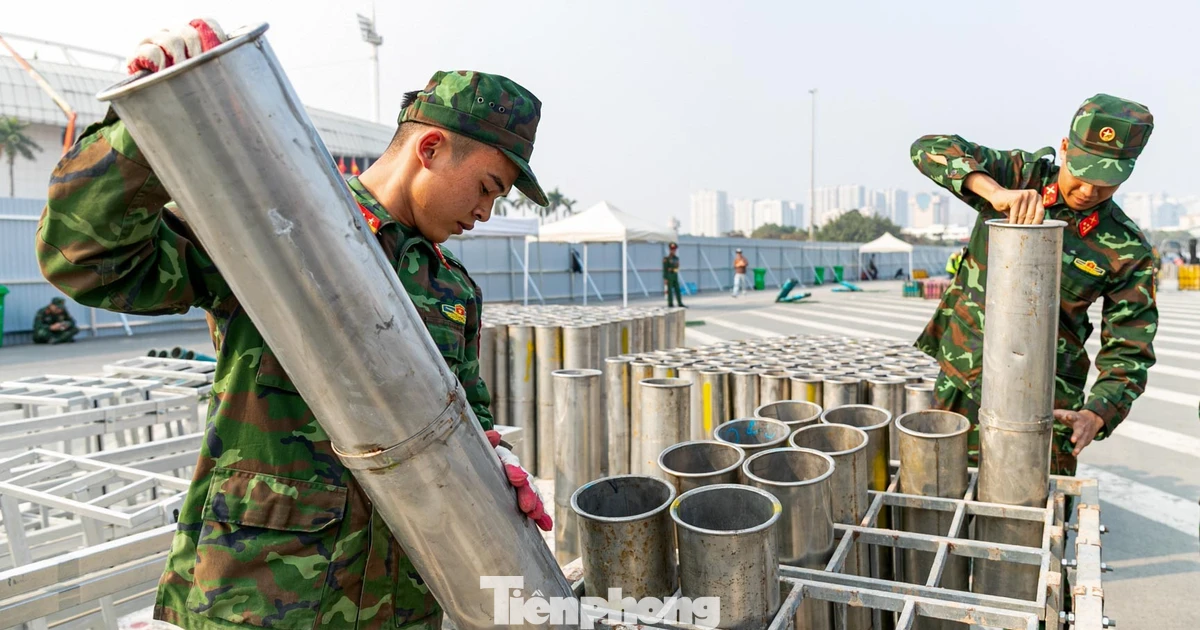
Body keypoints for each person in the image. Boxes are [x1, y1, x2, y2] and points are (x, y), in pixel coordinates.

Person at [38, 20, 550, 630]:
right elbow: (90, 261)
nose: (486, 212)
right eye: (488, 187)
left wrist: (494, 462)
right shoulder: (283, 223)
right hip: (263, 593)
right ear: (431, 148)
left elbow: (468, 411)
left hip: (398, 604)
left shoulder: (452, 288)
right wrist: (149, 126)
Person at [910, 93, 1158, 476]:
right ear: (1065, 147)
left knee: (1031, 505)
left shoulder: (1126, 247)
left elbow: (1130, 348)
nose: (1088, 191)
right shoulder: (1020, 176)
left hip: (1044, 402)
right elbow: (929, 148)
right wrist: (994, 193)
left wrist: (1097, 413)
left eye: (1106, 183)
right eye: (1081, 173)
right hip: (965, 380)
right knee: (941, 486)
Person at [663, 242, 685, 307]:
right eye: (672, 250)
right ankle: (670, 303)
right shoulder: (666, 259)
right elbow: (665, 269)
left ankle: (680, 303)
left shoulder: (676, 258)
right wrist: (665, 278)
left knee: (677, 289)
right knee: (669, 290)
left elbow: (677, 267)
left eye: (674, 250)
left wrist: (672, 269)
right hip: (669, 276)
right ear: (670, 250)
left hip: (675, 275)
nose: (673, 251)